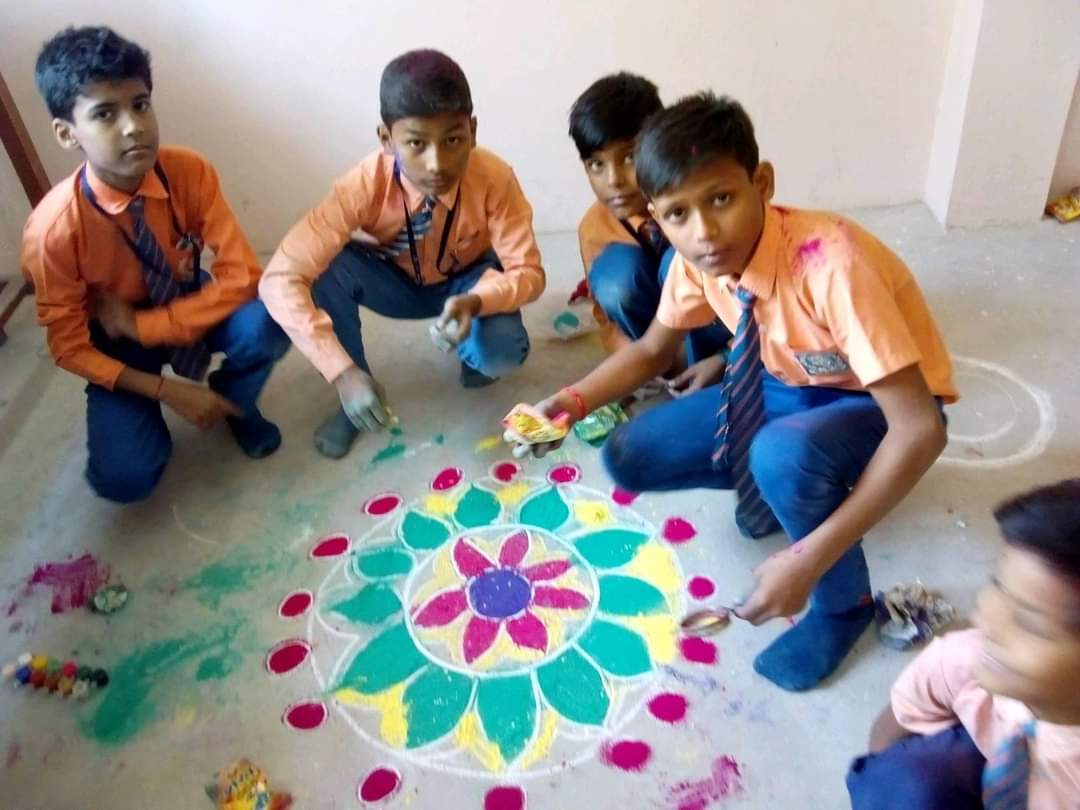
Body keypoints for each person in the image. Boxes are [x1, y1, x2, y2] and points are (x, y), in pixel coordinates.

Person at [511, 92, 956, 692]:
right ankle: (794, 486)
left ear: (762, 183)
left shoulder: (831, 265)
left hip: (874, 404)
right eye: (677, 215)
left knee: (782, 457)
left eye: (721, 199)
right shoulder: (695, 263)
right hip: (788, 381)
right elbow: (650, 352)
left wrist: (809, 559)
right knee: (628, 454)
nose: (704, 233)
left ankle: (842, 606)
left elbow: (919, 429)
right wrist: (567, 406)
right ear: (656, 216)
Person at [22, 26, 289, 503]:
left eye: (140, 104)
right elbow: (68, 347)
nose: (133, 126)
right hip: (115, 339)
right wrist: (167, 391)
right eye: (105, 114)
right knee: (125, 478)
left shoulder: (189, 171)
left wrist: (148, 325)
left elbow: (243, 275)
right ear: (66, 133)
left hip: (181, 303)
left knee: (271, 318)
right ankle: (149, 414)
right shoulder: (53, 230)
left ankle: (234, 402)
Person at [260, 49, 545, 459]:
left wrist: (478, 300)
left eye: (453, 139)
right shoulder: (362, 184)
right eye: (416, 143)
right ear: (385, 139)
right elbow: (278, 278)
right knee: (327, 270)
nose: (437, 164)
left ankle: (471, 352)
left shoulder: (495, 178)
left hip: (467, 281)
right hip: (393, 280)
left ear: (474, 131)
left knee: (499, 353)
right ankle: (356, 392)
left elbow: (529, 271)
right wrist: (340, 373)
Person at [848, 479, 1080, 809]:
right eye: (997, 586)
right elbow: (894, 728)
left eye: (1031, 624)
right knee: (902, 782)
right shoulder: (965, 659)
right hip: (998, 757)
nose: (988, 623)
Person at [569, 72, 728, 374]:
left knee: (678, 263)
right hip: (654, 337)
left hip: (718, 330)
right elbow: (604, 314)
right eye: (596, 165)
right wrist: (628, 357)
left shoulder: (695, 198)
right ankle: (665, 366)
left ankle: (708, 368)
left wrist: (727, 357)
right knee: (615, 278)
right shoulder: (593, 227)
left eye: (629, 157)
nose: (614, 180)